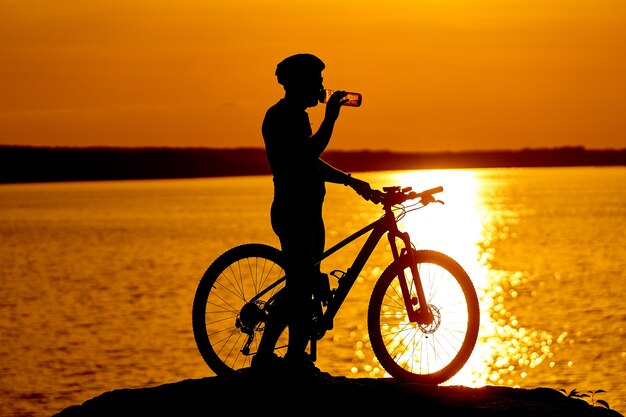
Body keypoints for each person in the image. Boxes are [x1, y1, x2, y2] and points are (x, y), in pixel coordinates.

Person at [251, 53, 372, 376]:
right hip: (292, 210)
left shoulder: (299, 116)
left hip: (309, 210)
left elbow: (311, 164)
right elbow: (306, 156)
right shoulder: (281, 116)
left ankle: (294, 357)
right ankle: (266, 357)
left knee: (303, 286)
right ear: (299, 83)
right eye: (316, 80)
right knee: (299, 284)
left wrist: (349, 181)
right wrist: (331, 118)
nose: (321, 86)